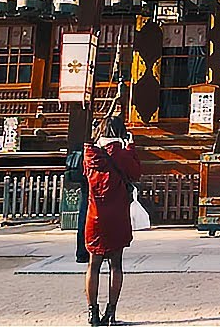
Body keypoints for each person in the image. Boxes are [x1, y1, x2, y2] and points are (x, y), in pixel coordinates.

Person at [82, 116, 142, 326]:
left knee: (94, 264)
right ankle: (111, 312)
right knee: (116, 264)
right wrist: (131, 147)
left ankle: (92, 313)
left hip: (95, 215)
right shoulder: (122, 155)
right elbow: (136, 173)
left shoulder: (90, 154)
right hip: (118, 215)